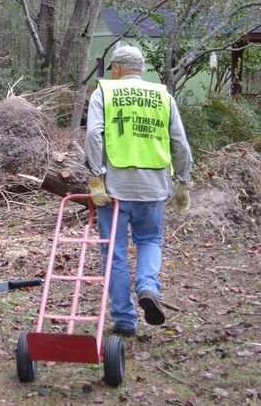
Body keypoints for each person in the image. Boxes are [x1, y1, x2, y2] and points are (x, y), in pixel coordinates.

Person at [85, 45, 193, 337]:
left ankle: (124, 320)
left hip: (115, 189)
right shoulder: (162, 96)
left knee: (115, 253)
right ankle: (147, 285)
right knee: (150, 240)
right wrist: (182, 181)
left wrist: (97, 175)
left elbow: (95, 134)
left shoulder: (103, 93)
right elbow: (180, 143)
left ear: (117, 69)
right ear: (141, 69)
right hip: (154, 187)